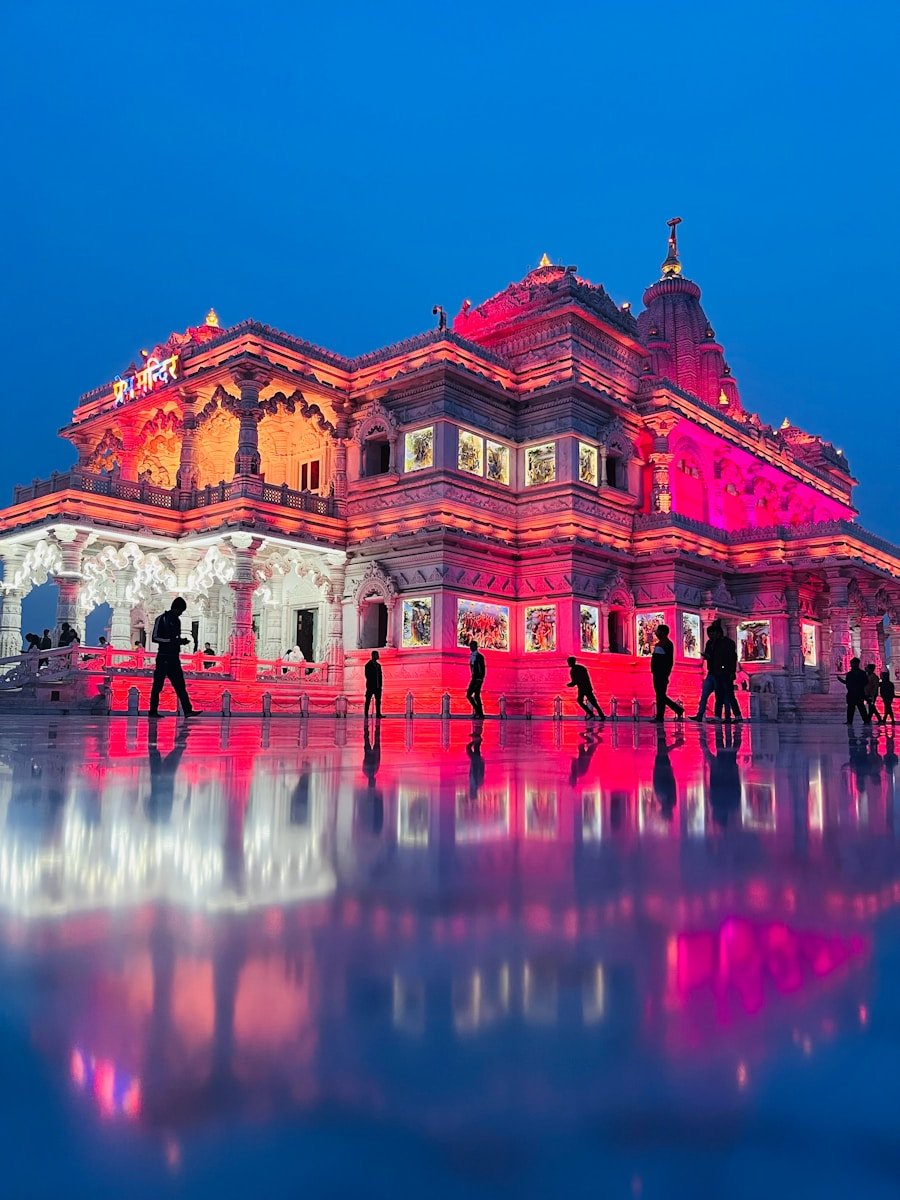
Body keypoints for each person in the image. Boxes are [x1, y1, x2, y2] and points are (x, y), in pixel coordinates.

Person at [148, 597, 199, 718]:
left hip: (174, 657)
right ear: (176, 608)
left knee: (180, 685)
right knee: (158, 685)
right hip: (163, 656)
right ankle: (153, 711)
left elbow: (175, 638)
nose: (180, 613)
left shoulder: (177, 620)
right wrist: (172, 641)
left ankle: (187, 710)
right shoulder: (162, 618)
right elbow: (155, 637)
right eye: (180, 611)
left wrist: (179, 642)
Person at [650, 624, 684, 722]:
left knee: (660, 695)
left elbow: (666, 661)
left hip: (661, 673)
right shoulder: (662, 643)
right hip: (658, 673)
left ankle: (665, 714)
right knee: (660, 695)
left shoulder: (666, 644)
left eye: (658, 631)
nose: (656, 633)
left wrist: (665, 673)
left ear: (662, 632)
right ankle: (668, 713)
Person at [689, 621, 721, 721]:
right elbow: (708, 656)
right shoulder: (709, 643)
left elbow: (721, 657)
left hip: (719, 673)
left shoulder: (722, 644)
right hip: (711, 672)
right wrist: (706, 656)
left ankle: (718, 716)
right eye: (709, 634)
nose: (710, 635)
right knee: (704, 695)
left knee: (719, 696)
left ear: (717, 633)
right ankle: (699, 715)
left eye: (712, 633)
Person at [709, 625, 742, 722]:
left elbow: (732, 658)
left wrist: (732, 671)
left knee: (729, 695)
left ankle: (737, 715)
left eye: (713, 633)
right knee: (719, 695)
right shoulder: (716, 643)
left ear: (718, 633)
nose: (712, 635)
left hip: (726, 672)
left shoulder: (727, 643)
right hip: (718, 672)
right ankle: (718, 716)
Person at [566, 656, 605, 720]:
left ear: (571, 662)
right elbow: (586, 678)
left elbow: (575, 681)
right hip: (587, 687)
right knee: (593, 702)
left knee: (580, 701)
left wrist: (569, 684)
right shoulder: (582, 668)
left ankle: (591, 713)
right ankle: (601, 715)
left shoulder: (573, 670)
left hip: (582, 688)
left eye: (569, 662)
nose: (568, 664)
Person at [839, 657, 870, 727]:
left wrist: (857, 687)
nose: (851, 665)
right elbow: (848, 683)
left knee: (859, 708)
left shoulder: (854, 674)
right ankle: (860, 720)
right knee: (853, 708)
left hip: (855, 693)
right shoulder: (860, 673)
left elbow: (865, 682)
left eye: (852, 664)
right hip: (854, 693)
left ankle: (863, 720)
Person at [466, 639, 486, 718]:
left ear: (475, 647)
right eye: (470, 646)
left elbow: (483, 668)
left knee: (475, 695)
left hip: (478, 678)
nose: (470, 647)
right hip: (474, 677)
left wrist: (480, 678)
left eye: (472, 646)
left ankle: (479, 713)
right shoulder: (471, 656)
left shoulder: (480, 657)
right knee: (470, 695)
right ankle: (479, 712)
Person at [364, 650, 383, 718]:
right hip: (370, 686)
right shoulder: (368, 665)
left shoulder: (378, 665)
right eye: (377, 655)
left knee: (378, 701)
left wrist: (380, 685)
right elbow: (367, 675)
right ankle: (366, 714)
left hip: (378, 686)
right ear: (373, 655)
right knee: (368, 700)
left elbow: (380, 676)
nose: (378, 656)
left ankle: (378, 714)